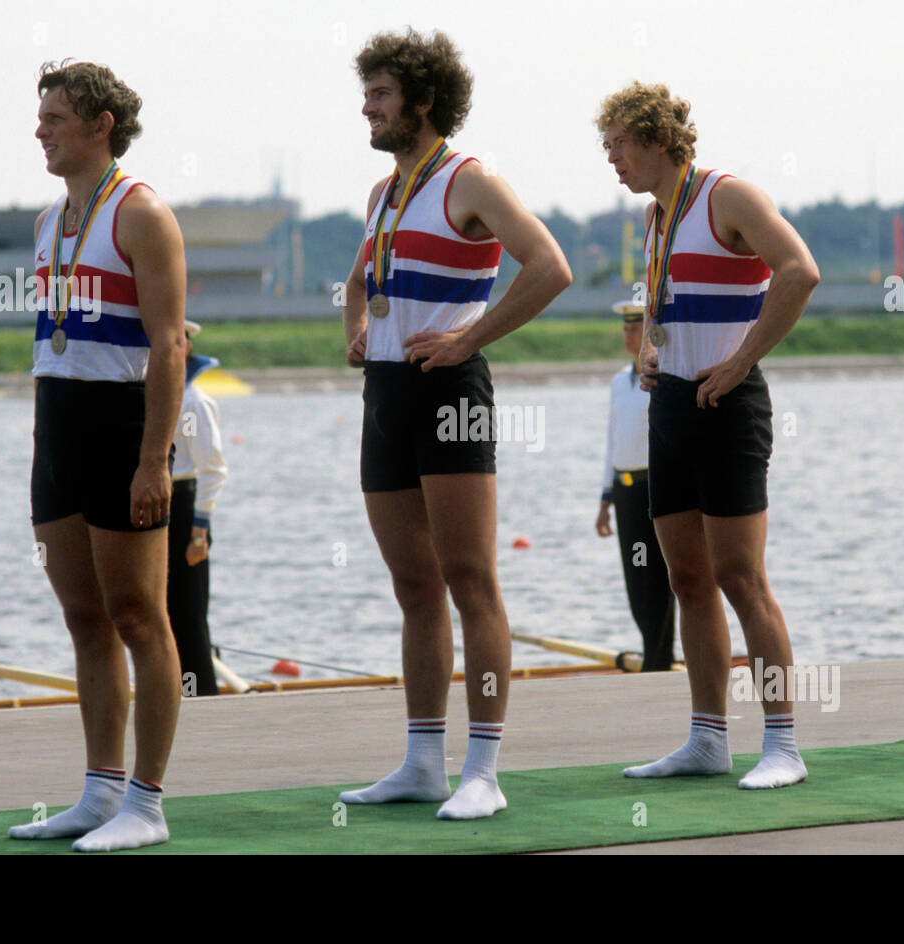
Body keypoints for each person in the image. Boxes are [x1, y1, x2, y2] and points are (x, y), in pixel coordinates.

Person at [339, 28, 571, 820]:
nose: (366, 108)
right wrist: (356, 332)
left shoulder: (471, 181)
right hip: (388, 392)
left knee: (471, 579)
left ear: (423, 101)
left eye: (380, 95)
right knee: (413, 586)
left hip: (451, 389)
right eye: (365, 94)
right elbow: (358, 280)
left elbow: (550, 266)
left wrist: (470, 336)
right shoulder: (383, 192)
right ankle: (420, 761)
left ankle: (484, 770)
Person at [598, 82, 819, 789]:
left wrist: (743, 359)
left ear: (658, 139)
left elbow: (800, 272)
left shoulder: (728, 197)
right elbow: (674, 307)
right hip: (672, 407)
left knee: (741, 578)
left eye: (619, 145)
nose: (612, 160)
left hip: (729, 403)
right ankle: (707, 739)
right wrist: (646, 352)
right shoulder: (655, 218)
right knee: (687, 579)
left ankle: (783, 744)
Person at [10, 60, 187, 851]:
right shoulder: (50, 220)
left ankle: (145, 805)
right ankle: (97, 791)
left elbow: (170, 345)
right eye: (40, 115)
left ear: (100, 124)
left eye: (54, 117)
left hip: (124, 426)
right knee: (85, 620)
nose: (40, 129)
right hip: (60, 428)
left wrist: (154, 461)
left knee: (139, 618)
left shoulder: (140, 212)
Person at [595, 302, 676, 671]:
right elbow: (613, 440)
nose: (629, 335)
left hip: (653, 487)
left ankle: (658, 662)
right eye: (626, 329)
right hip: (625, 490)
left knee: (658, 580)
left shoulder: (660, 375)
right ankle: (653, 655)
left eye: (635, 328)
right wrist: (605, 496)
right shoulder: (618, 382)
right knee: (636, 578)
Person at [168, 320, 228, 698]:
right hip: (162, 507)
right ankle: (174, 693)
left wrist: (199, 531)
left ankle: (202, 697)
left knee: (189, 616)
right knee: (166, 615)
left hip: (187, 509)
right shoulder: (161, 396)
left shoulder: (194, 402)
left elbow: (213, 470)